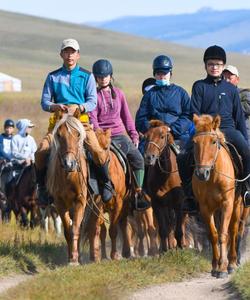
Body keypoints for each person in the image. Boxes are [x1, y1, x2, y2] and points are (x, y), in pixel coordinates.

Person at [35, 38, 113, 206]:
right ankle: (42, 188)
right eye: (66, 51)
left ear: (78, 55)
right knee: (41, 151)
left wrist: (79, 107)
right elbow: (44, 102)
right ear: (61, 54)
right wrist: (55, 106)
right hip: (59, 123)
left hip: (81, 123)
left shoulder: (87, 76)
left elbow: (93, 101)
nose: (69, 55)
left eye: (73, 52)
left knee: (97, 150)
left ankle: (105, 183)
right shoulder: (53, 77)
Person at [177, 45, 250, 210]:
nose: (214, 67)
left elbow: (238, 116)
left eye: (218, 64)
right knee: (182, 156)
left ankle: (246, 190)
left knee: (247, 152)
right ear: (205, 66)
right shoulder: (199, 86)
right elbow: (194, 112)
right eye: (211, 64)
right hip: (205, 131)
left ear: (223, 66)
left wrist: (244, 139)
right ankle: (189, 195)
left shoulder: (231, 89)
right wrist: (204, 125)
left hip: (229, 129)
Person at [89, 59, 150, 210]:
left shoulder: (119, 94)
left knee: (138, 159)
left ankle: (138, 193)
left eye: (106, 76)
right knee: (91, 160)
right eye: (100, 76)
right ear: (95, 78)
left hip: (118, 135)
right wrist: (100, 136)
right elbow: (93, 119)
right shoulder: (93, 96)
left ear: (111, 76)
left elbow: (127, 117)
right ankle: (94, 191)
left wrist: (134, 135)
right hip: (101, 137)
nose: (103, 79)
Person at [135, 55, 193, 152]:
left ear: (170, 73)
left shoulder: (181, 93)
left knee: (189, 157)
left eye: (165, 73)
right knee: (139, 156)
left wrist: (172, 129)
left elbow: (188, 115)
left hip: (178, 136)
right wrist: (153, 130)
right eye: (158, 73)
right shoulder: (149, 95)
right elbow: (141, 118)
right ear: (155, 75)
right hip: (154, 137)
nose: (162, 76)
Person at [222, 65, 250, 145]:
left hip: (242, 132)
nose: (226, 81)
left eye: (230, 78)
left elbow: (248, 106)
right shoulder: (217, 94)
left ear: (237, 80)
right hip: (222, 132)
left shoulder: (244, 94)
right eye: (224, 78)